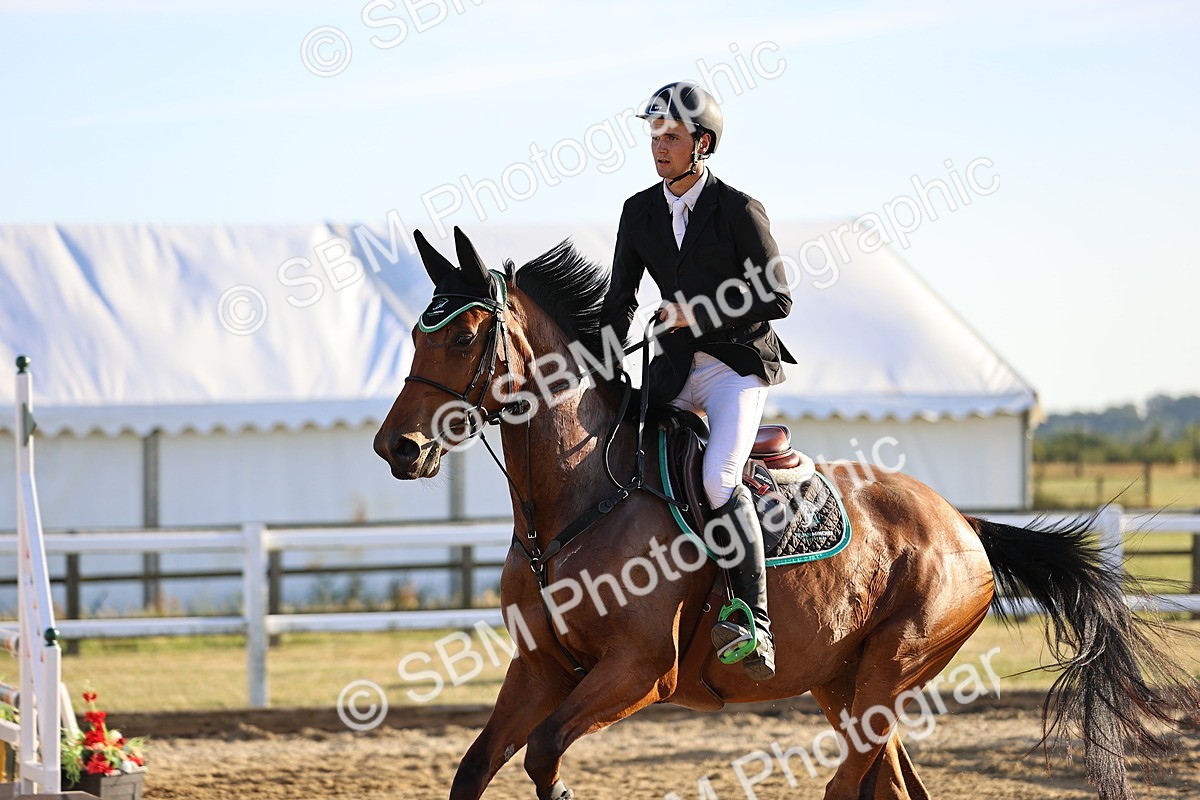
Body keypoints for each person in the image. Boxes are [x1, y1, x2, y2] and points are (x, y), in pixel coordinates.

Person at [599, 81, 795, 681]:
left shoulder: (738, 210)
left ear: (702, 144)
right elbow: (619, 302)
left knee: (717, 478)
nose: (658, 146)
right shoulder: (638, 211)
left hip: (736, 368)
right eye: (653, 135)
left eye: (671, 136)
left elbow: (777, 298)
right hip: (675, 370)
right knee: (620, 458)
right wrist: (594, 369)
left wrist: (695, 313)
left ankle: (755, 621)